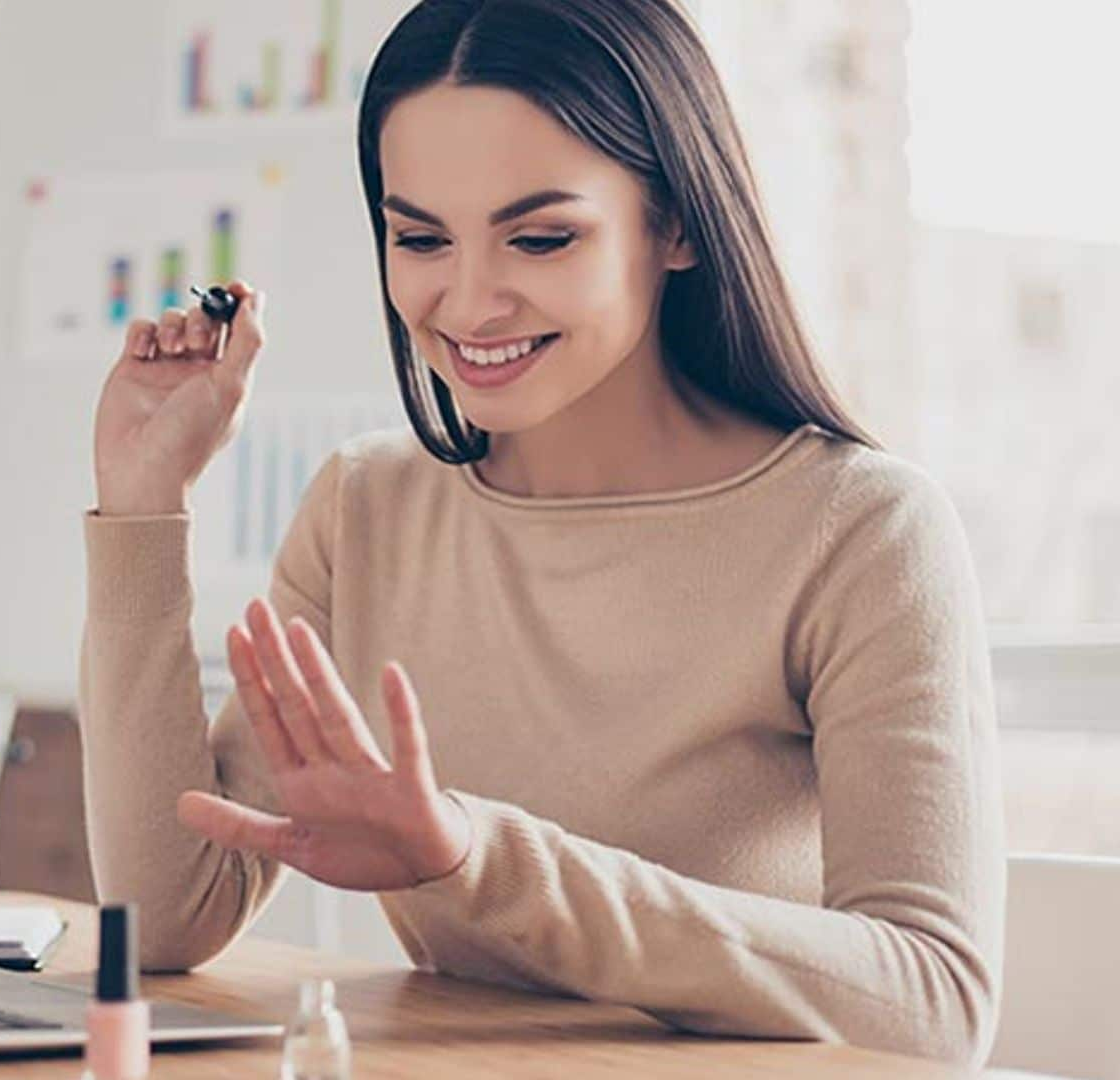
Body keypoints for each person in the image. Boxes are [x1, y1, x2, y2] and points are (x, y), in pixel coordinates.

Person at [79, 0, 1003, 1067]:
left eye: (542, 236)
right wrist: (143, 504)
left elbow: (934, 1003)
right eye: (419, 237)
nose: (469, 303)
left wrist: (475, 856)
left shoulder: (861, 531)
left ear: (680, 223)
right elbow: (164, 917)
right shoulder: (369, 507)